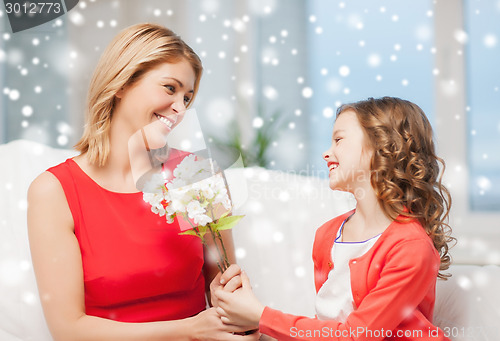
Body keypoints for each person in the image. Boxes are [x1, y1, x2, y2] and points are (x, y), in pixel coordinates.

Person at [27, 23, 258, 341]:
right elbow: (68, 329)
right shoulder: (54, 191)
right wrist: (189, 330)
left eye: (187, 97)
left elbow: (224, 293)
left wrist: (230, 303)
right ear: (122, 82)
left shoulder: (198, 175)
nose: (180, 109)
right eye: (170, 88)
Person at [213, 97, 455, 340]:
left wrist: (260, 316)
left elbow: (356, 335)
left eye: (339, 140)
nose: (326, 153)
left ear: (383, 146)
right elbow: (327, 324)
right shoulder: (328, 233)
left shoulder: (411, 247)